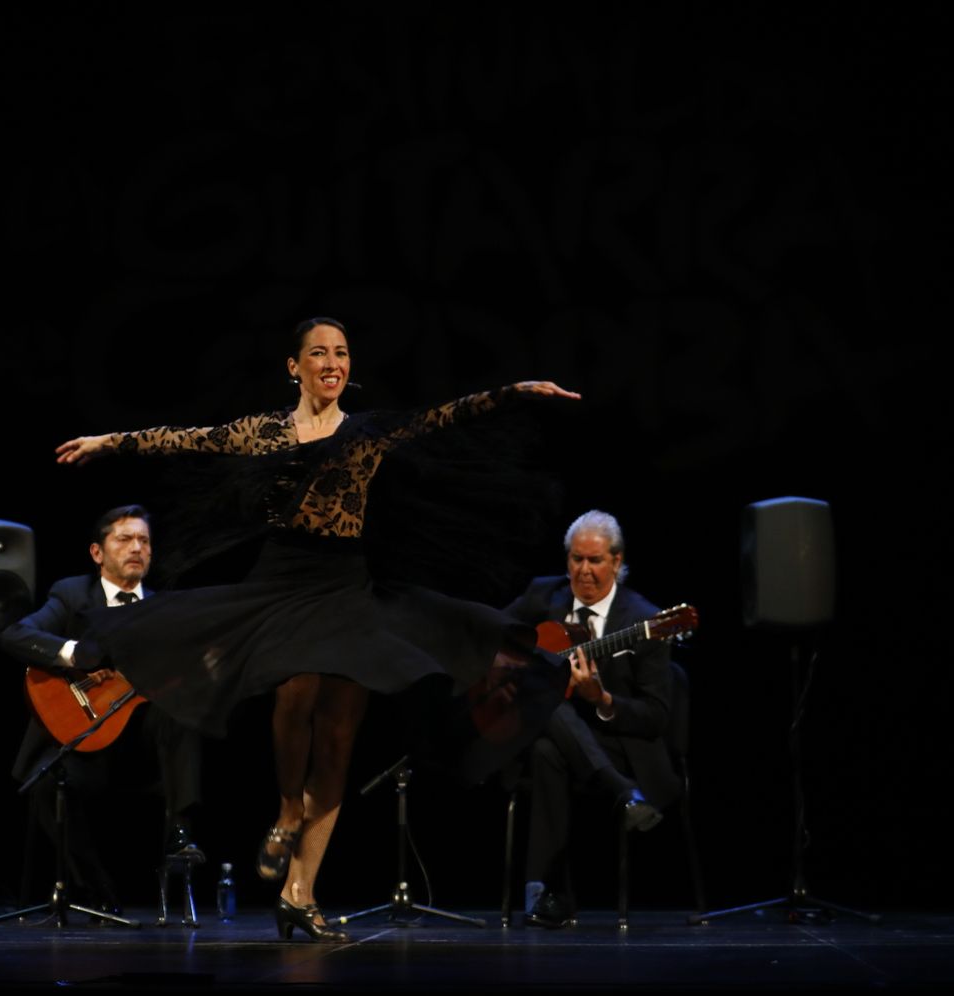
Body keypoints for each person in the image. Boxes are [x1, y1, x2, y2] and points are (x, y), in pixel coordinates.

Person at [55, 317, 578, 942]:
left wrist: (512, 391)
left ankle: (299, 891)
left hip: (345, 587)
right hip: (282, 581)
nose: (333, 363)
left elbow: (442, 415)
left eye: (342, 353)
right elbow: (187, 439)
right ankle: (285, 809)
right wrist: (109, 441)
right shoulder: (268, 431)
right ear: (294, 367)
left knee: (338, 736)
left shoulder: (367, 432)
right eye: (319, 354)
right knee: (295, 691)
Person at [0, 505, 204, 916]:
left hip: (145, 750)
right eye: (124, 539)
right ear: (97, 553)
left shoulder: (166, 609)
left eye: (144, 541)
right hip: (87, 739)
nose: (137, 548)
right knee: (45, 786)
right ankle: (97, 892)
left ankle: (180, 831)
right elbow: (16, 634)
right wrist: (75, 654)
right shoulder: (72, 595)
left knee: (181, 711)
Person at [502, 509, 679, 929]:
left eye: (595, 560)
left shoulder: (645, 620)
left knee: (548, 743)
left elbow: (655, 717)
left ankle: (543, 895)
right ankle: (622, 796)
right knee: (547, 722)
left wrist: (602, 698)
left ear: (617, 562)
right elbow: (494, 632)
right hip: (557, 736)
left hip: (618, 743)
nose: (584, 571)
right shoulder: (542, 597)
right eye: (576, 559)